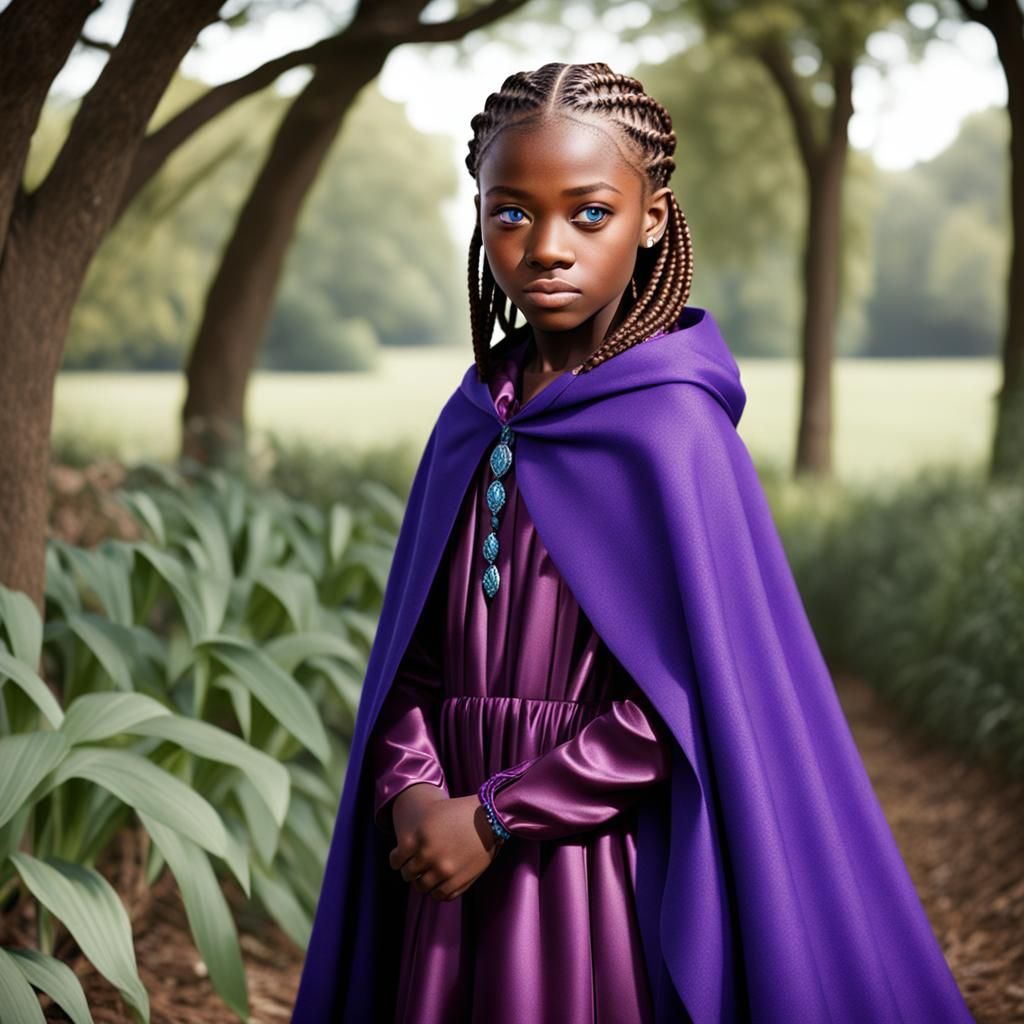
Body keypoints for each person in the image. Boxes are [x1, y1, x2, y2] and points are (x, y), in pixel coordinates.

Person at [291, 62, 976, 1023]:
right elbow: (414, 661)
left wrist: (498, 814)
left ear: (652, 217)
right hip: (440, 859)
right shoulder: (467, 424)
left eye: (589, 213)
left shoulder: (673, 432)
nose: (547, 248)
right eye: (512, 214)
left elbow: (689, 697)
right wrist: (413, 792)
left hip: (588, 866)